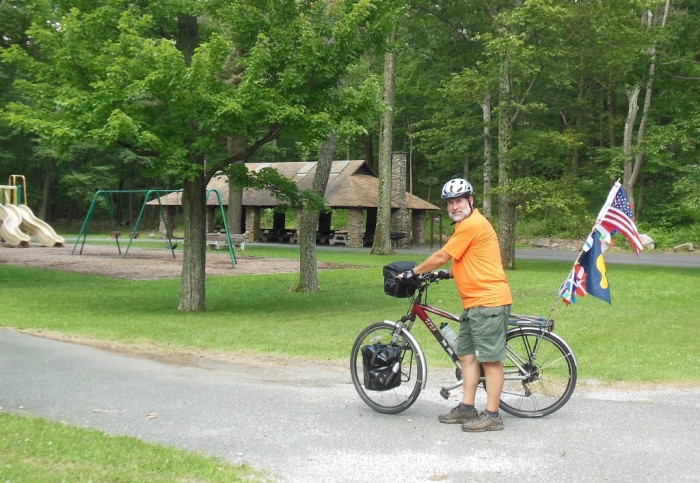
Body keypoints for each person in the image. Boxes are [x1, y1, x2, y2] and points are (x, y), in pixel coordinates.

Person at [398, 178, 512, 432]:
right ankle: (466, 408)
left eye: (459, 201)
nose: (454, 206)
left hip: (489, 302)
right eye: (450, 203)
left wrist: (412, 272)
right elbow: (470, 260)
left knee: (491, 361)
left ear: (471, 201)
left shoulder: (472, 224)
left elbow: (442, 255)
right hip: (474, 304)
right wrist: (446, 274)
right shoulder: (467, 226)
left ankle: (493, 416)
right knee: (467, 356)